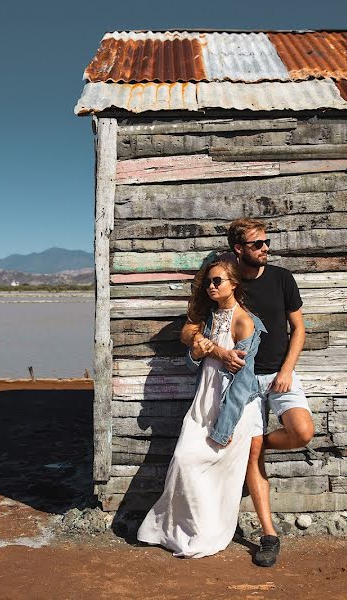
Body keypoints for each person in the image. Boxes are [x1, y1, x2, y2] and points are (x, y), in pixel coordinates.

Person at [181, 218, 315, 567]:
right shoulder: (224, 280)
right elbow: (191, 329)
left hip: (279, 374)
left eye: (266, 243)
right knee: (254, 456)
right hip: (242, 381)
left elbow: (298, 329)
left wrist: (286, 371)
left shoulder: (282, 278)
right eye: (258, 244)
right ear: (239, 248)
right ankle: (269, 534)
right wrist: (204, 345)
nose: (265, 248)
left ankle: (255, 442)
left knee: (302, 432)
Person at [137, 259, 267, 558]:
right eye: (209, 281)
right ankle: (178, 530)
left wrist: (226, 427)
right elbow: (194, 361)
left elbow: (243, 382)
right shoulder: (209, 319)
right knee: (183, 460)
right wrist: (197, 353)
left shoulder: (243, 322)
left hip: (229, 410)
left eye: (217, 281)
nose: (211, 286)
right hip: (202, 402)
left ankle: (206, 534)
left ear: (234, 284)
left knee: (212, 472)